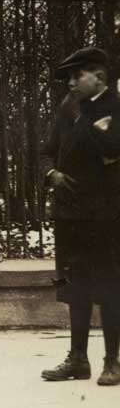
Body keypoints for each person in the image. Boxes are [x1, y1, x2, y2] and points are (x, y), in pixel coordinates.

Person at [38, 46, 120, 386]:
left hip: (106, 216)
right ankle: (77, 359)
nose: (70, 83)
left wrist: (79, 117)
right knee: (75, 288)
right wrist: (52, 175)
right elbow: (46, 152)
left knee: (110, 287)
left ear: (99, 76)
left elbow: (109, 150)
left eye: (77, 75)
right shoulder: (67, 109)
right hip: (69, 214)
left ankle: (112, 361)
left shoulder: (114, 108)